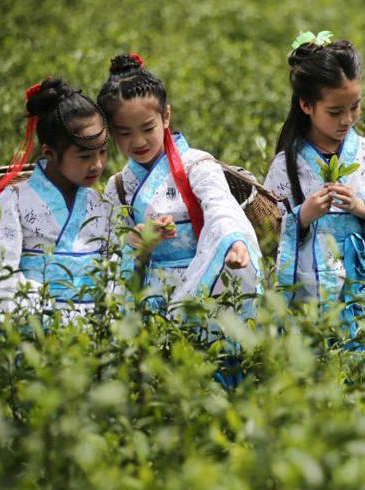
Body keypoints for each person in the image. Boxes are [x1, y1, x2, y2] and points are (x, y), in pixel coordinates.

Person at [263, 31, 365, 347]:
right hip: (311, 286)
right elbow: (267, 233)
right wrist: (302, 217)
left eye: (355, 107)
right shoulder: (286, 165)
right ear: (306, 105)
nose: (347, 120)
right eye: (335, 112)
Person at [97, 53, 261, 314]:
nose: (138, 141)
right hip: (149, 294)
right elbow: (105, 249)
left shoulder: (197, 166)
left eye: (147, 128)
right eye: (124, 133)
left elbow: (220, 206)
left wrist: (234, 240)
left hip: (201, 281)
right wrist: (136, 241)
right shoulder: (117, 186)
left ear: (165, 117)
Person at [0, 77, 112, 318]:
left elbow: (113, 274)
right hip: (34, 327)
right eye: (85, 156)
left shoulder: (102, 205)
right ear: (49, 152)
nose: (98, 165)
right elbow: (0, 275)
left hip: (92, 336)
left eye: (103, 152)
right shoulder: (14, 200)